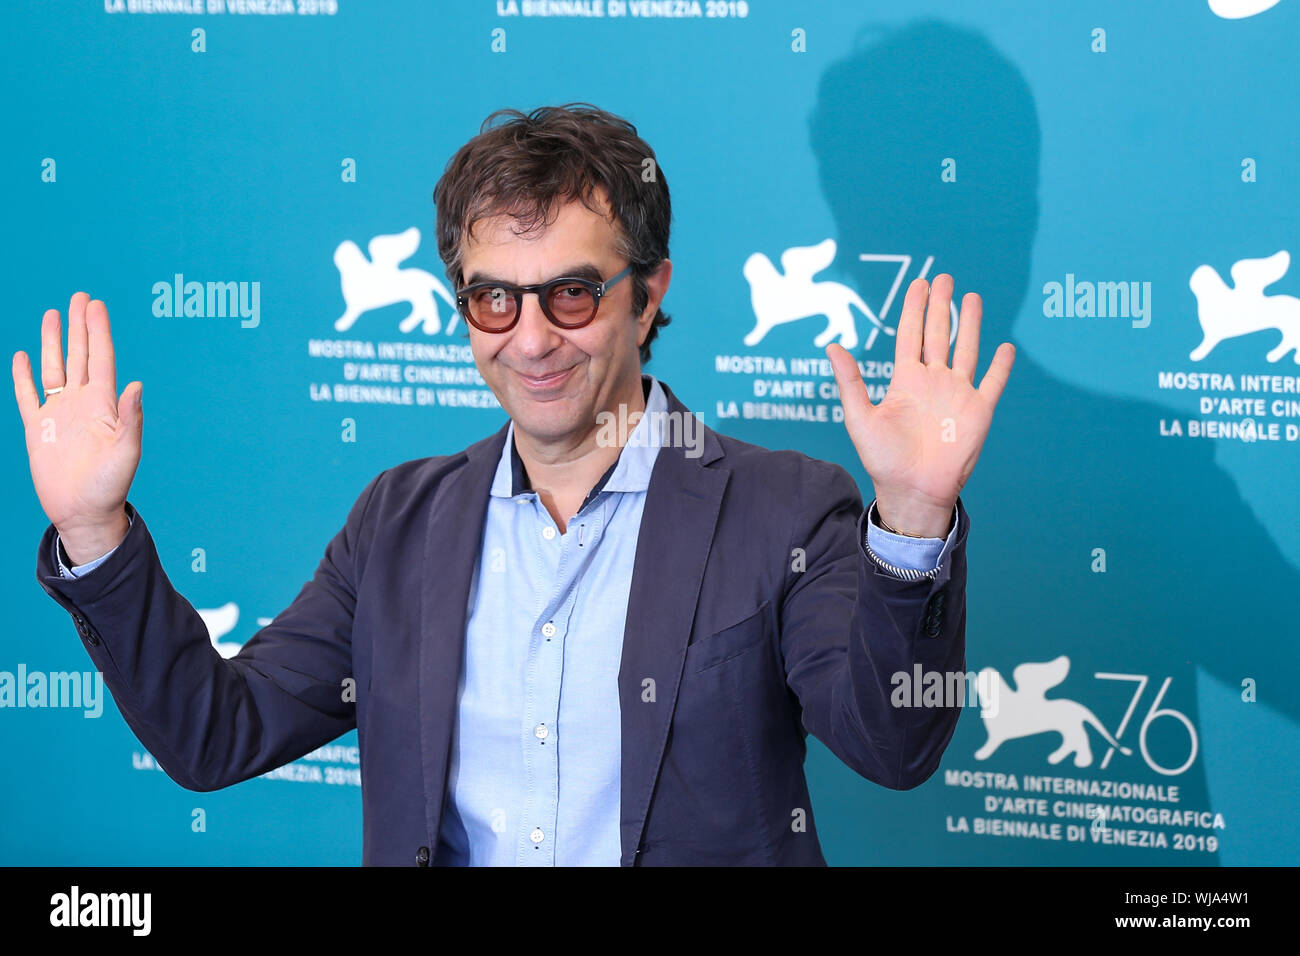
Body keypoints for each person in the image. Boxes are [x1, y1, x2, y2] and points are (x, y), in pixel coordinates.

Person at [12, 103, 1014, 865]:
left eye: (571, 293)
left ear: (649, 290)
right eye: (493, 297)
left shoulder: (782, 507)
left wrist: (915, 514)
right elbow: (212, 732)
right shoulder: (397, 523)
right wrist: (96, 530)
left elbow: (893, 743)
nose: (530, 338)